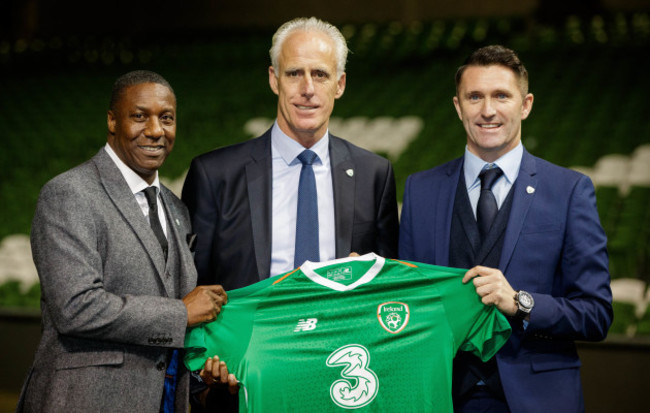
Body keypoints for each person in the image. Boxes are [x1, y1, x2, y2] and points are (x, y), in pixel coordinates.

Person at [181, 16, 399, 411]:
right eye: (294, 73)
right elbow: (194, 286)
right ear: (273, 79)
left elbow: (387, 290)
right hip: (243, 385)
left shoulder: (374, 174)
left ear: (341, 84)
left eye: (320, 74)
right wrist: (205, 368)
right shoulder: (214, 175)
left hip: (342, 384)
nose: (308, 89)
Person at [398, 45, 613, 413]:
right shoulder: (421, 189)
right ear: (457, 106)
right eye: (474, 96)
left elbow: (595, 314)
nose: (487, 110)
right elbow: (406, 299)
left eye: (501, 96)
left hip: (537, 400)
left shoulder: (569, 191)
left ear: (525, 104)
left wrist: (521, 303)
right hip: (440, 397)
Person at [16, 70, 228, 413]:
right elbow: (76, 308)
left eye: (167, 118)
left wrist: (203, 376)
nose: (156, 131)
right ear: (113, 121)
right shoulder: (69, 194)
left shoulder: (175, 208)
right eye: (139, 116)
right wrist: (179, 314)